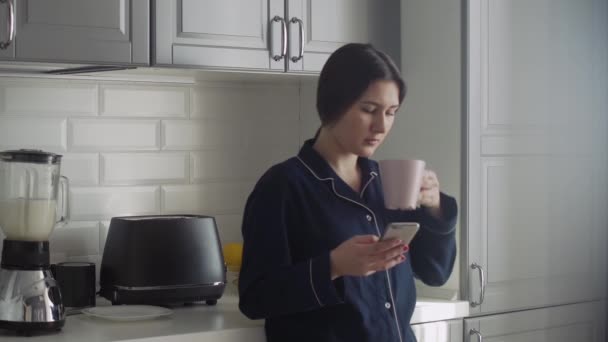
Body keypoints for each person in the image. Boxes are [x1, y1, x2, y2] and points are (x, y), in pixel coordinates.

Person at [238, 43, 457, 342]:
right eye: (369, 110)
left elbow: (435, 273)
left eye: (391, 112)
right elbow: (255, 297)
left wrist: (434, 211)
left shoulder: (387, 182)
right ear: (334, 105)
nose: (381, 125)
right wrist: (333, 266)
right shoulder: (283, 186)